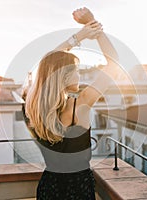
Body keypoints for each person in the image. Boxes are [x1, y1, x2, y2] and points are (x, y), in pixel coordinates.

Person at [24, 7, 119, 200]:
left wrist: (78, 37)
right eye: (76, 70)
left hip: (48, 186)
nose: (80, 73)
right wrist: (94, 28)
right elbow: (114, 63)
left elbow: (47, 64)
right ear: (64, 77)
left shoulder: (33, 105)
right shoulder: (80, 104)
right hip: (78, 188)